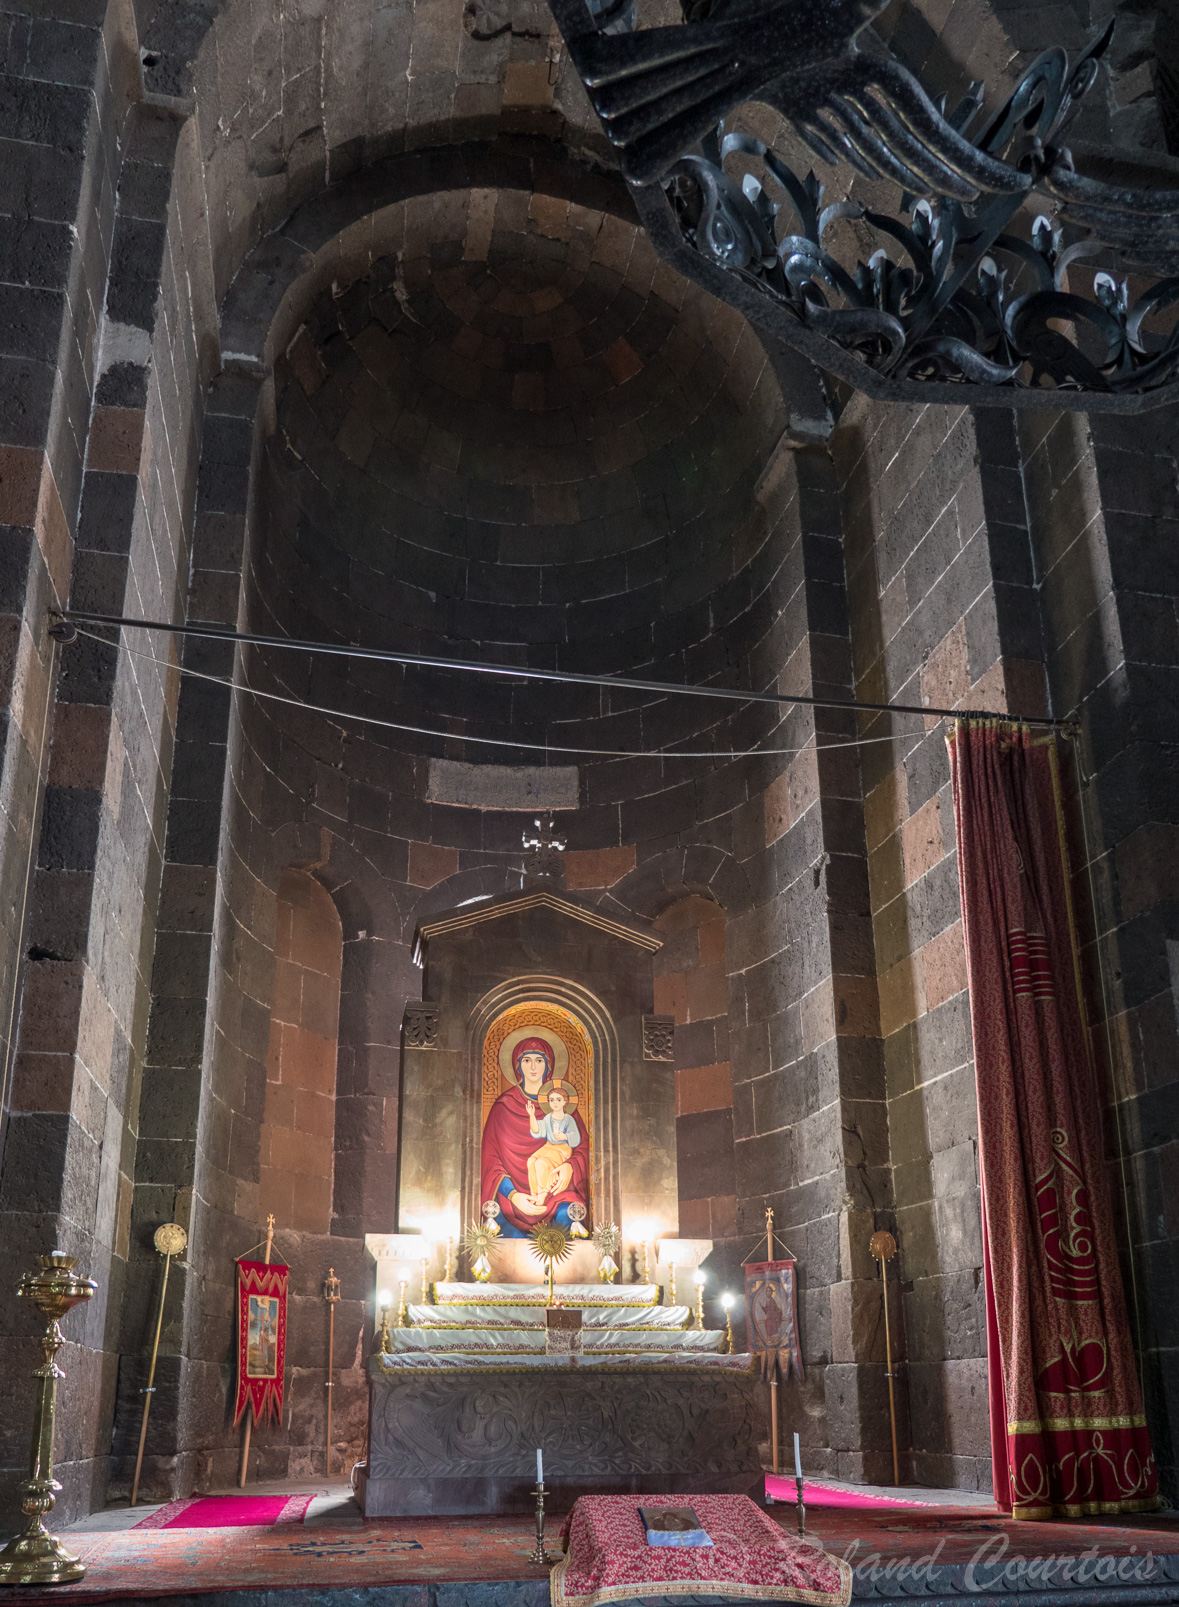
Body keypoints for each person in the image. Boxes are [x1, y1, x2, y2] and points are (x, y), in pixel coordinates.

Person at [480, 1036, 589, 1235]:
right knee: (504, 1226)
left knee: (568, 1216)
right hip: (513, 1198)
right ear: (517, 1066)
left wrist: (570, 1167)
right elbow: (490, 1160)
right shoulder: (503, 1107)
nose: (533, 1067)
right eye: (526, 1060)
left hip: (558, 1189)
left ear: (548, 1065)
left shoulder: (565, 1108)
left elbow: (582, 1147)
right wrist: (513, 1195)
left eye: (539, 1060)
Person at [526, 1082, 580, 1200]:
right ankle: (534, 1194)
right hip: (548, 1146)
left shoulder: (568, 1119)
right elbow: (537, 1130)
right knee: (531, 1161)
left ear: (565, 1102)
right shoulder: (548, 1118)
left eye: (558, 1100)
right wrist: (531, 1115)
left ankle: (542, 1194)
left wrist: (565, 1136)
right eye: (551, 1100)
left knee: (541, 1162)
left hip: (562, 1149)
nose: (555, 1103)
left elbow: (575, 1138)